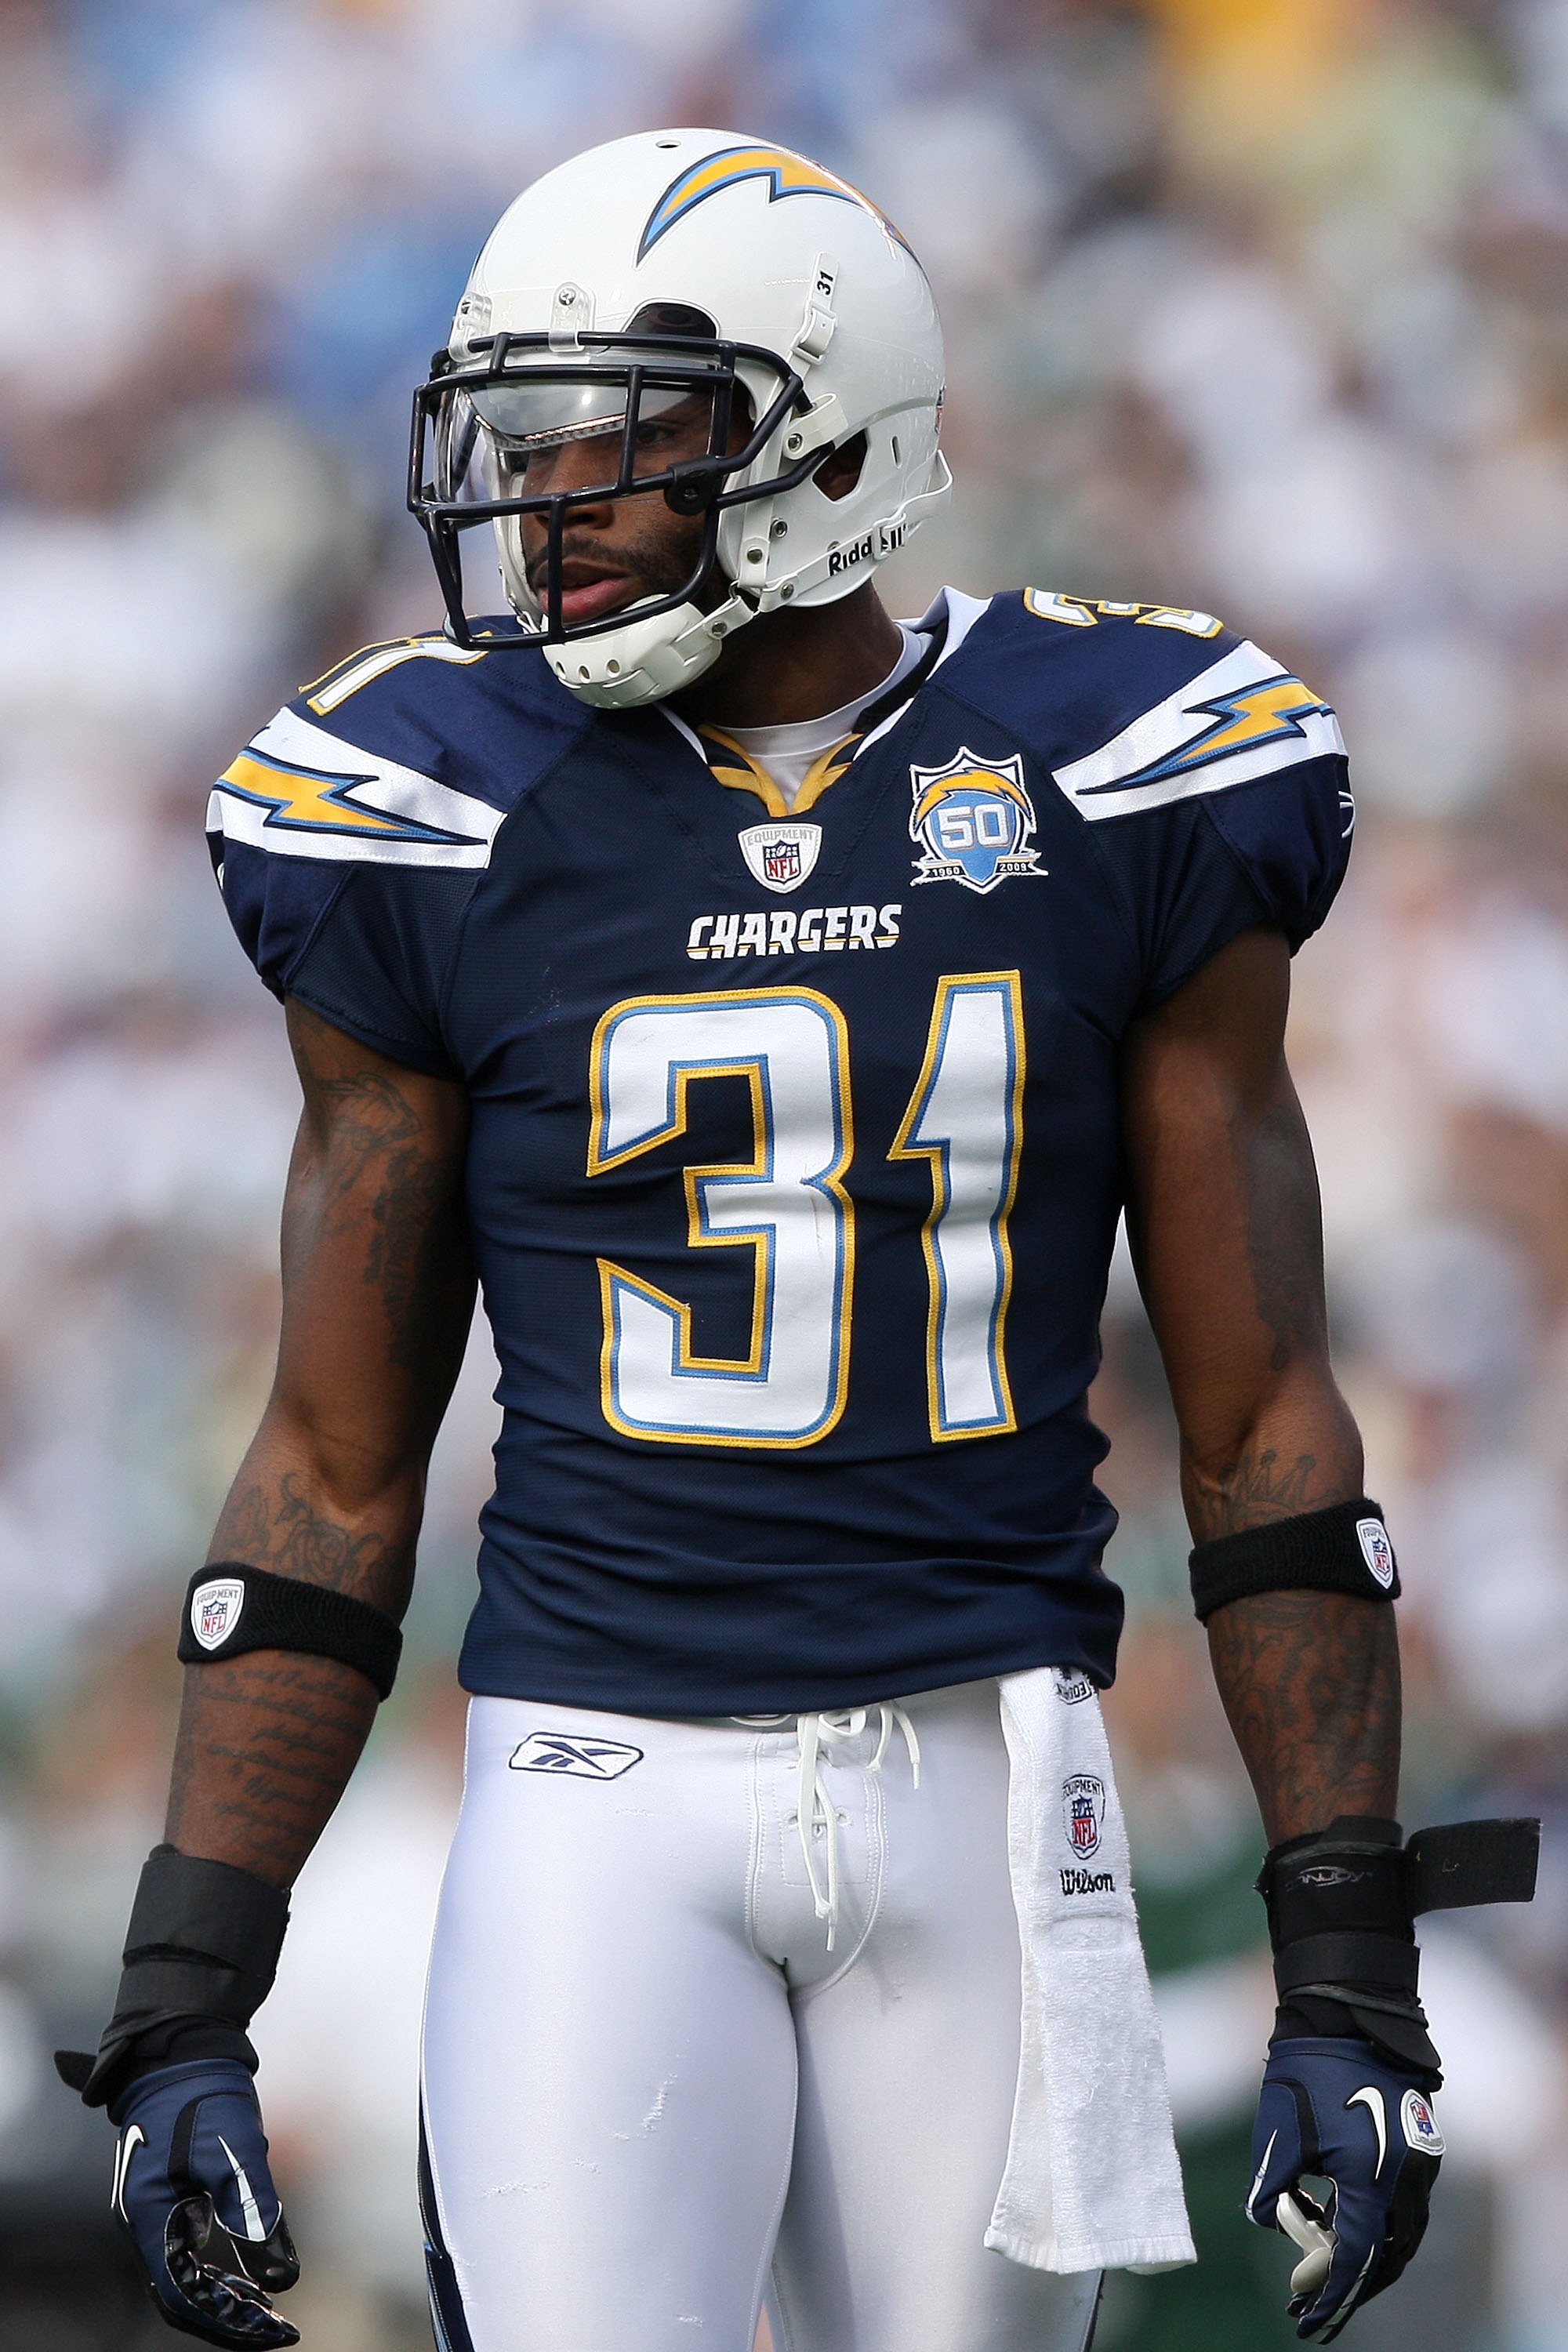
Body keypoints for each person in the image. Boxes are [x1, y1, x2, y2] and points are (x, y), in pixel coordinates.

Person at [56, 129, 1537, 2352]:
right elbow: (335, 1465)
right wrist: (189, 1989)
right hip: (592, 1784)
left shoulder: (1123, 769)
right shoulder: (431, 808)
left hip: (987, 1772)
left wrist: (1348, 1945)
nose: (542, 509)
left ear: (816, 434)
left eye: (612, 446)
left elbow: (1260, 1420)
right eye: (519, 445)